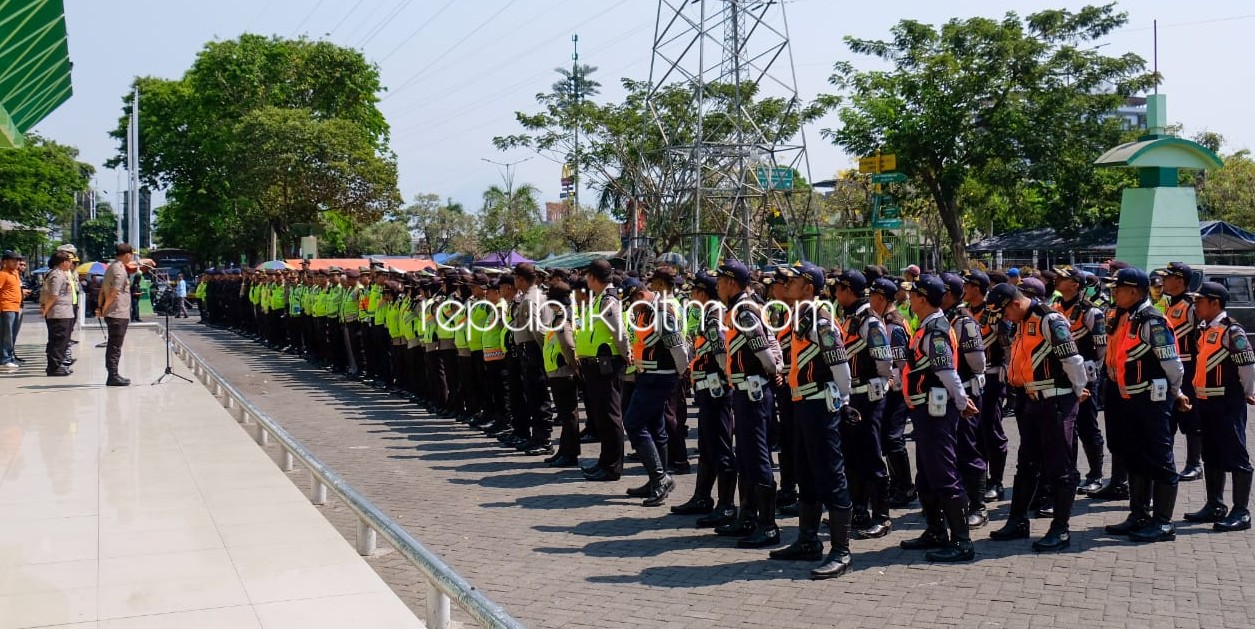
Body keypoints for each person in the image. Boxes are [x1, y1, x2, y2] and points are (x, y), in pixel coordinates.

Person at [985, 279, 1091, 551]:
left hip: (1054, 401)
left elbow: (1073, 359)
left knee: (1060, 467)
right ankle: (1018, 520)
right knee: (1026, 465)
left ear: (1016, 302)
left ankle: (1061, 529)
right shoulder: (1022, 321)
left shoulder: (1050, 319)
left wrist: (1077, 391)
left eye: (1006, 311)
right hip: (1029, 401)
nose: (1005, 318)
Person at [769, 261, 857, 579]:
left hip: (821, 406)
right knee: (805, 473)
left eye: (792, 281)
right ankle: (807, 541)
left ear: (808, 287)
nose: (785, 286)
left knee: (831, 477)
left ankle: (841, 551)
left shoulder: (822, 322)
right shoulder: (801, 318)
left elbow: (841, 370)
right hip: (801, 404)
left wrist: (841, 402)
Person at [898, 274, 979, 562]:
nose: (909, 299)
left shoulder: (936, 330)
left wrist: (961, 401)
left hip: (937, 412)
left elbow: (948, 373)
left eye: (913, 295)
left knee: (943, 474)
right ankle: (935, 530)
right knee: (927, 474)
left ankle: (962, 541)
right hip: (924, 411)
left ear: (921, 298)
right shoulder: (926, 327)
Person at [1103, 267, 1187, 543]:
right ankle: (1138, 514)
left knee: (1159, 458)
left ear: (1135, 291)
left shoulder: (1153, 320)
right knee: (1133, 456)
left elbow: (1172, 364)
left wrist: (1174, 392)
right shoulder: (1121, 316)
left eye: (1119, 288)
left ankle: (1163, 522)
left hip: (1149, 399)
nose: (1114, 292)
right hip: (1123, 397)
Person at [712, 260, 784, 549]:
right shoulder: (740, 309)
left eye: (720, 282)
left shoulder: (744, 311)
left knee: (756, 456)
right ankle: (748, 516)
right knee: (745, 456)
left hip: (754, 393)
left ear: (731, 283)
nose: (717, 288)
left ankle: (767, 526)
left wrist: (773, 370)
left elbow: (763, 348)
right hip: (744, 392)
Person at [1183, 281, 1255, 532]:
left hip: (1227, 401)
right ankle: (1214, 505)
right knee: (1211, 454)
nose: (1196, 305)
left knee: (1236, 455)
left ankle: (1241, 511)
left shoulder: (1231, 330)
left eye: (1200, 301)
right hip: (1206, 401)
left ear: (1215, 303)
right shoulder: (1204, 329)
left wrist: (1247, 392)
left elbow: (1246, 365)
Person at [671, 270, 738, 526]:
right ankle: (702, 497)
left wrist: (725, 381)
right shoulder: (711, 314)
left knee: (720, 446)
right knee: (708, 446)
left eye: (694, 290)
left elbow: (722, 355)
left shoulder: (714, 317)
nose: (691, 295)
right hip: (708, 389)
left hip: (717, 390)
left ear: (701, 292)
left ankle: (726, 505)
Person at [1159, 262, 1203, 482]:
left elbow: (1201, 338)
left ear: (1179, 280)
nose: (1163, 281)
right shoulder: (1169, 304)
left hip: (1189, 367)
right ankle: (1169, 463)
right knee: (1170, 418)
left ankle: (1195, 464)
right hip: (1171, 368)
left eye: (1167, 277)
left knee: (1190, 417)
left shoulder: (1191, 305)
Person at [98, 244, 136, 386]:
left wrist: (101, 307)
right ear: (127, 254)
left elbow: (102, 290)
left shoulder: (112, 267)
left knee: (114, 345)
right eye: (131, 255)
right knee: (115, 346)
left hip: (115, 312)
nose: (131, 257)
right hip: (117, 312)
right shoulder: (120, 270)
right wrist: (104, 308)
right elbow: (114, 293)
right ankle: (113, 375)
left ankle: (113, 374)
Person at [39, 251, 78, 376]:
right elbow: (53, 295)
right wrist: (46, 310)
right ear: (63, 262)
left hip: (65, 312)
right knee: (58, 340)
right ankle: (54, 367)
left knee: (62, 340)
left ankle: (58, 364)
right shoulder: (57, 274)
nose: (71, 264)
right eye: (69, 261)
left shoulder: (62, 273)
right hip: (58, 313)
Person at [0, 251, 27, 370]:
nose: (17, 263)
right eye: (14, 260)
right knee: (7, 335)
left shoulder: (15, 273)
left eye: (18, 260)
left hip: (15, 307)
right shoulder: (3, 274)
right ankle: (5, 358)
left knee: (12, 335)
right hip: (6, 308)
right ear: (5, 262)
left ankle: (10, 357)